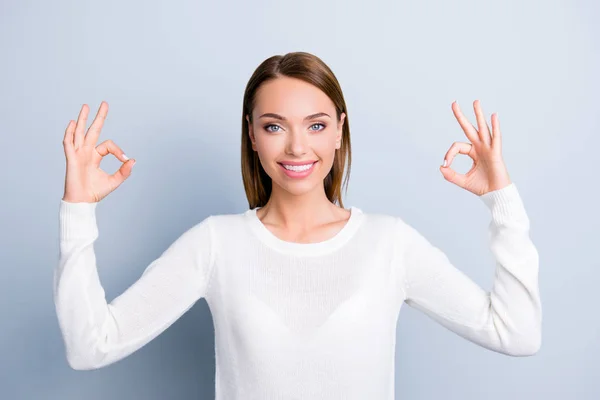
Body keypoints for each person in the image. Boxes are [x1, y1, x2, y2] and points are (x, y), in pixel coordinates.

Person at [54, 51, 542, 399]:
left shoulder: (388, 243)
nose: (295, 148)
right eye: (273, 126)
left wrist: (502, 200)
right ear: (251, 135)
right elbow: (89, 346)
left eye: (315, 124)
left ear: (339, 130)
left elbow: (516, 334)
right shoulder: (216, 245)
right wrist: (78, 209)